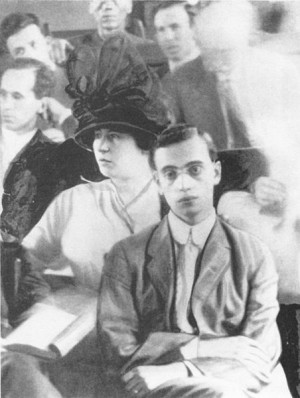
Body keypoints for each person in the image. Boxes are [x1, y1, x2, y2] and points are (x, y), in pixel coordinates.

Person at [97, 124, 292, 398]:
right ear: (158, 183)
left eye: (194, 170)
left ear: (216, 172)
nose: (184, 184)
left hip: (240, 386)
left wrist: (182, 367)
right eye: (170, 174)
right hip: (156, 390)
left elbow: (260, 357)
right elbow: (118, 352)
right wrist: (202, 348)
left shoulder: (253, 254)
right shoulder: (126, 255)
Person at [0, 12, 76, 140]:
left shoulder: (79, 82)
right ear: (14, 58)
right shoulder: (8, 98)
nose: (30, 54)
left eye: (33, 44)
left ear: (47, 43)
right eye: (20, 51)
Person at [153, 1, 200, 73]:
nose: (168, 37)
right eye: (161, 30)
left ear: (193, 28)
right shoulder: (154, 79)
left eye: (175, 27)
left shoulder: (217, 74)